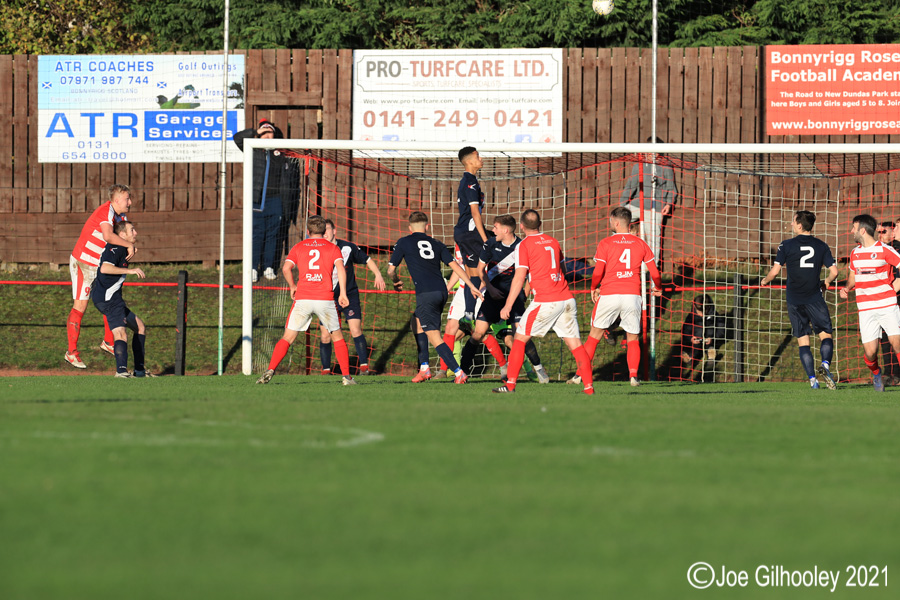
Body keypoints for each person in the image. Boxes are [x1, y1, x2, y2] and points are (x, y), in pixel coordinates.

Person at [492, 210, 594, 394]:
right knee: (576, 345)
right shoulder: (553, 241)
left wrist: (508, 305)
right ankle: (588, 388)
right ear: (540, 224)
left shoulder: (524, 245)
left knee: (519, 339)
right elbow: (562, 269)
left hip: (547, 301)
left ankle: (510, 385)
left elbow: (519, 276)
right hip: (566, 299)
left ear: (521, 226)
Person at [257, 216, 356, 386]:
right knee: (337, 337)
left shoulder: (299, 246)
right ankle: (346, 377)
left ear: (308, 232)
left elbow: (286, 268)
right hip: (324, 298)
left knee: (287, 337)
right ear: (325, 232)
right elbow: (341, 269)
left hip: (303, 298)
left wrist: (292, 286)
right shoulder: (332, 248)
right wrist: (344, 293)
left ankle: (270, 370)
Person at [387, 211, 483, 384]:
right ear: (427, 227)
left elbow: (390, 270)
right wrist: (471, 286)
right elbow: (457, 266)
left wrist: (395, 281)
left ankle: (458, 372)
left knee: (433, 336)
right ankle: (424, 368)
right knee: (415, 321)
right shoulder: (437, 244)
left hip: (426, 295)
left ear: (410, 228)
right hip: (441, 292)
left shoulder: (404, 242)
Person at [571, 207, 663, 388]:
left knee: (593, 337)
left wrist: (593, 287)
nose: (610, 222)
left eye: (611, 220)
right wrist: (658, 287)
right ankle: (634, 377)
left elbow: (598, 272)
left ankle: (579, 376)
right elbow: (655, 272)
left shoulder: (606, 243)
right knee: (632, 338)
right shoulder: (640, 243)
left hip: (610, 294)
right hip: (632, 295)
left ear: (617, 222)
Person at [459, 214, 551, 384]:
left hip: (513, 299)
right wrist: (490, 288)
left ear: (505, 230)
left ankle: (540, 371)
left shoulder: (522, 246)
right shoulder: (490, 244)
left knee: (521, 337)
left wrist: (523, 294)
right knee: (477, 333)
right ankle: (462, 374)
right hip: (493, 297)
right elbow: (480, 270)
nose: (493, 230)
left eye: (495, 227)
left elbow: (531, 274)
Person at [759, 211, 839, 389]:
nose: (791, 224)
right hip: (815, 298)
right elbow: (835, 272)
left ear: (800, 225)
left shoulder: (786, 245)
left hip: (794, 299)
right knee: (825, 334)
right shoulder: (821, 245)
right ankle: (825, 364)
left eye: (793, 221)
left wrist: (764, 280)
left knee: (803, 339)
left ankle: (812, 380)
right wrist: (825, 282)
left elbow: (775, 271)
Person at [65, 184, 134, 369]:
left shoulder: (121, 217)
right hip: (83, 262)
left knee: (109, 297)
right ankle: (71, 353)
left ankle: (108, 342)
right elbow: (108, 236)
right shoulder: (106, 211)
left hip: (99, 265)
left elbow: (121, 236)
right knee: (80, 306)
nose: (130, 202)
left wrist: (128, 244)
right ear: (117, 200)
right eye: (127, 198)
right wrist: (129, 246)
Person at [317, 219, 386, 375]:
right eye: (323, 230)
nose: (325, 233)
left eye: (327, 229)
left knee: (355, 330)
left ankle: (363, 367)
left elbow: (367, 259)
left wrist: (378, 274)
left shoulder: (347, 247)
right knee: (325, 335)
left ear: (334, 231)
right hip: (327, 297)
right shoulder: (319, 250)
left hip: (349, 295)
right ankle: (326, 371)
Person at [839, 214, 900, 392]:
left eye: (853, 228)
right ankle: (876, 373)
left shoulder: (884, 250)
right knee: (870, 352)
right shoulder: (855, 253)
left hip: (888, 305)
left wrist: (895, 286)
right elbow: (852, 277)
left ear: (862, 230)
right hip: (866, 308)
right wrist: (847, 288)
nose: (851, 231)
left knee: (897, 344)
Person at [233, 119, 295, 282]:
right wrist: (256, 132)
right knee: (257, 234)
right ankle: (253, 267)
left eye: (270, 133)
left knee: (273, 235)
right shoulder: (253, 151)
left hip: (276, 201)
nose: (267, 136)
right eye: (264, 133)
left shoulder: (281, 153)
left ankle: (269, 266)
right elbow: (237, 138)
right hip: (257, 201)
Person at [91, 221, 151, 378]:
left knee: (140, 327)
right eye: (132, 230)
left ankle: (139, 371)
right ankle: (122, 372)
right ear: (122, 235)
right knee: (120, 333)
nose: (136, 233)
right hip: (108, 298)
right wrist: (130, 271)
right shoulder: (116, 248)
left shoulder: (122, 249)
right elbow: (105, 268)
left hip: (113, 298)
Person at [619, 137, 678, 261]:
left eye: (655, 151)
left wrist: (668, 204)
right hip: (637, 203)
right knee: (618, 222)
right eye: (650, 151)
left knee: (652, 240)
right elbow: (630, 186)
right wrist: (622, 205)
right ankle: (619, 256)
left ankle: (651, 271)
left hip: (655, 207)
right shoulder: (638, 166)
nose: (652, 154)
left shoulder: (666, 166)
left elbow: (672, 189)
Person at [454, 146, 489, 330]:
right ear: (468, 161)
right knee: (476, 274)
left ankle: (468, 316)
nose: (481, 158)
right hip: (471, 233)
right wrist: (485, 239)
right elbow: (475, 213)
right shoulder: (470, 182)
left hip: (464, 233)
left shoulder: (469, 180)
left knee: (470, 274)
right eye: (477, 156)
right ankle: (470, 316)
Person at [679, 295, 726, 382]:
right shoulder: (691, 317)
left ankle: (711, 354)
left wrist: (713, 338)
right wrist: (690, 339)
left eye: (702, 312)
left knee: (710, 345)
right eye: (698, 311)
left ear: (707, 308)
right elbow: (684, 330)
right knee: (694, 348)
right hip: (696, 340)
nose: (700, 314)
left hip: (709, 339)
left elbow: (721, 329)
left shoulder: (714, 315)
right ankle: (691, 357)